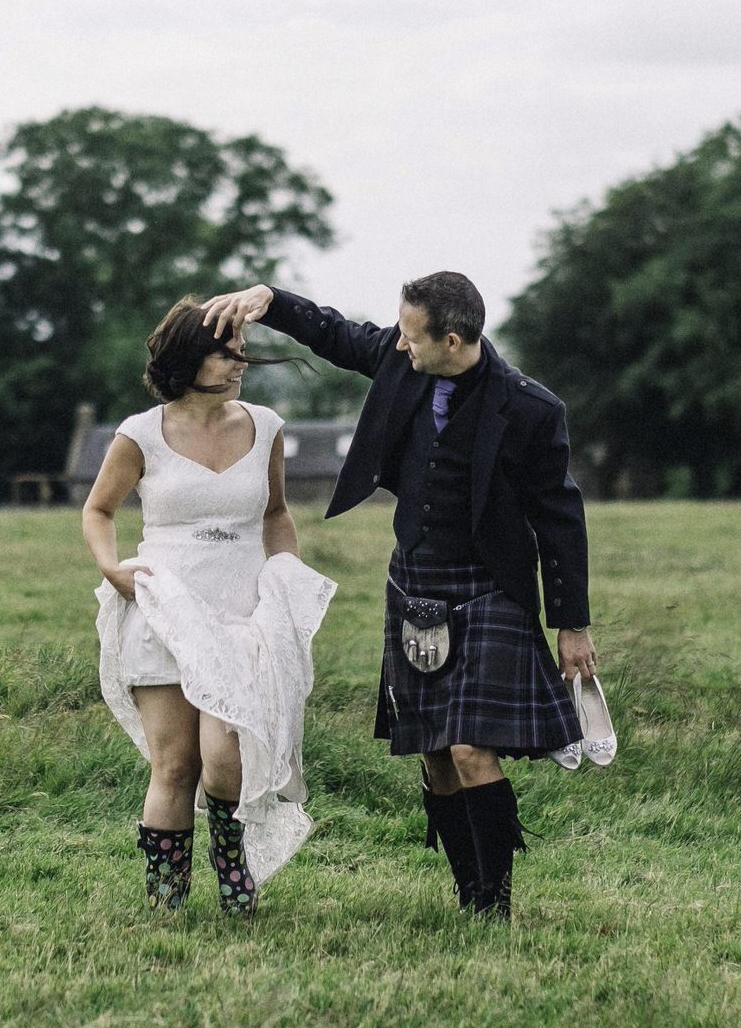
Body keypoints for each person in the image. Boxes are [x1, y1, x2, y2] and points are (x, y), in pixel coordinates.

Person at [198, 273, 596, 920]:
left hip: (491, 586)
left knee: (471, 749)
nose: (400, 345)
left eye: (413, 336)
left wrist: (571, 623)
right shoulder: (401, 358)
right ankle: (468, 890)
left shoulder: (528, 407)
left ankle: (492, 904)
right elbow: (335, 333)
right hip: (414, 579)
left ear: (455, 339)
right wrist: (270, 299)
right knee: (436, 756)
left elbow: (560, 518)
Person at [82, 298, 336, 916]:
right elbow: (99, 511)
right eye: (225, 351)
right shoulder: (140, 434)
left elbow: (275, 514)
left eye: (241, 349)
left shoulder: (266, 425)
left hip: (243, 612)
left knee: (227, 758)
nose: (240, 362)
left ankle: (233, 868)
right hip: (165, 605)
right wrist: (111, 568)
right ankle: (167, 898)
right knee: (174, 763)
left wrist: (286, 582)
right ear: (186, 358)